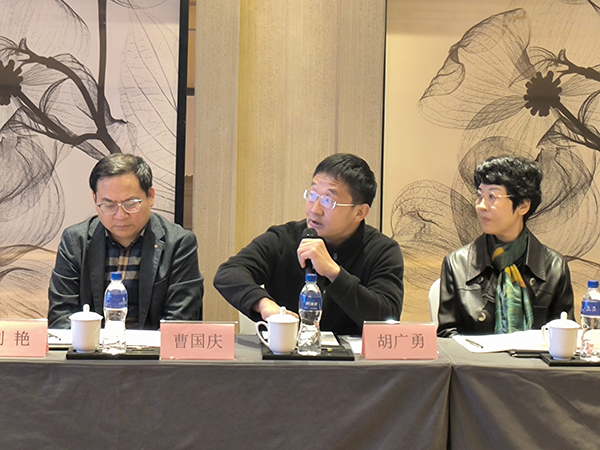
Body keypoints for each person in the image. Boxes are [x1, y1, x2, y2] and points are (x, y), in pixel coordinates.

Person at [214, 153, 404, 336]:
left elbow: (387, 318)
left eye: (328, 201)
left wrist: (334, 272)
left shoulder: (382, 251)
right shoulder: (284, 239)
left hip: (355, 357)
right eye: (312, 196)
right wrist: (264, 304)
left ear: (360, 212)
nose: (314, 209)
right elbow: (228, 273)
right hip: (287, 353)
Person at [48, 154, 203, 329]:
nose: (120, 216)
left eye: (131, 204)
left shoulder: (179, 244)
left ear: (151, 196)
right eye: (109, 205)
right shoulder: (75, 242)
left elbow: (179, 323)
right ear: (95, 200)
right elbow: (61, 317)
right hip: (90, 346)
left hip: (152, 346)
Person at [438, 156, 573, 337]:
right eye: (480, 195)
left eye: (492, 196)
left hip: (533, 357)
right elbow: (447, 334)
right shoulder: (457, 264)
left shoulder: (554, 267)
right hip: (475, 356)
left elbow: (565, 336)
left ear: (523, 205)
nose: (481, 206)